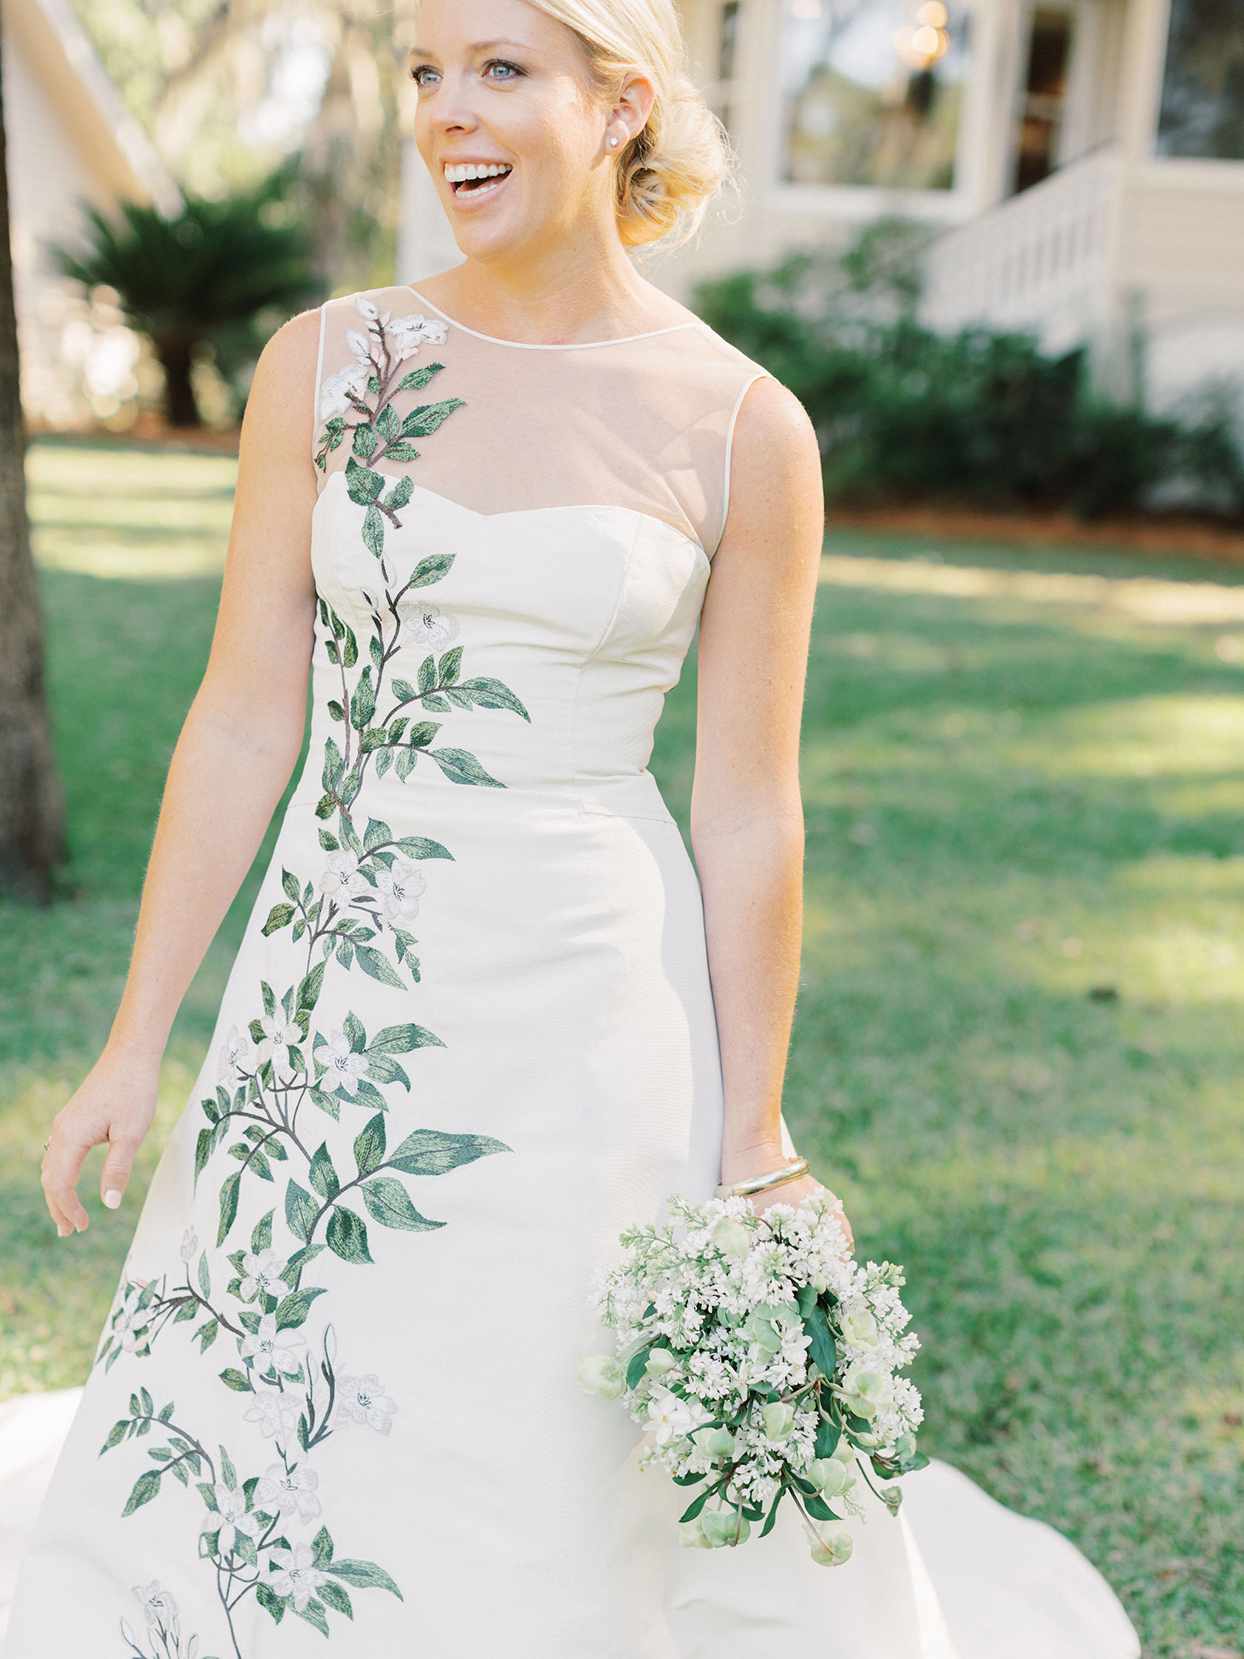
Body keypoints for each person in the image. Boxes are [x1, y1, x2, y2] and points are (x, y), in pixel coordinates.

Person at [3, 2, 1143, 1655]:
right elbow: (248, 710)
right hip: (331, 986)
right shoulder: (325, 366)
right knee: (296, 1359)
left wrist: (755, 1134)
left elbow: (749, 800)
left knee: (540, 1395)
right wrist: (131, 1042)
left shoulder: (745, 427)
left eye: (499, 71)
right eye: (423, 72)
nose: (446, 114)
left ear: (622, 106)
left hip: (592, 995)